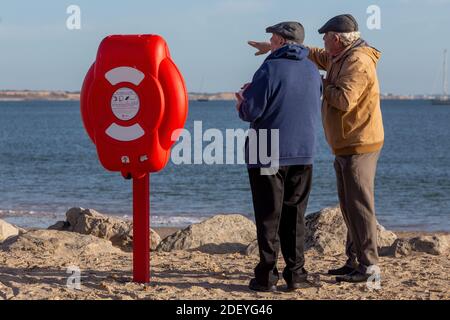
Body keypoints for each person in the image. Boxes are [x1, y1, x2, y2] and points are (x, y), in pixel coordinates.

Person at [248, 14, 385, 283]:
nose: (322, 41)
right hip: (345, 142)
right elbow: (310, 52)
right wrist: (274, 47)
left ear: (337, 38)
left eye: (325, 36)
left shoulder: (357, 61)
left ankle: (370, 266)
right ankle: (354, 260)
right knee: (348, 204)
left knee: (360, 205)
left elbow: (344, 100)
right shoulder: (339, 55)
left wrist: (313, 83)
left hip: (359, 142)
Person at [236, 21, 322, 292]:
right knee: (295, 215)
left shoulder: (270, 67)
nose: (270, 44)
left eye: (273, 39)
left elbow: (252, 111)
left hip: (267, 150)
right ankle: (296, 274)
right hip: (303, 151)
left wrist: (242, 99)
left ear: (283, 42)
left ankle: (266, 276)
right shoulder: (312, 69)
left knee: (268, 215)